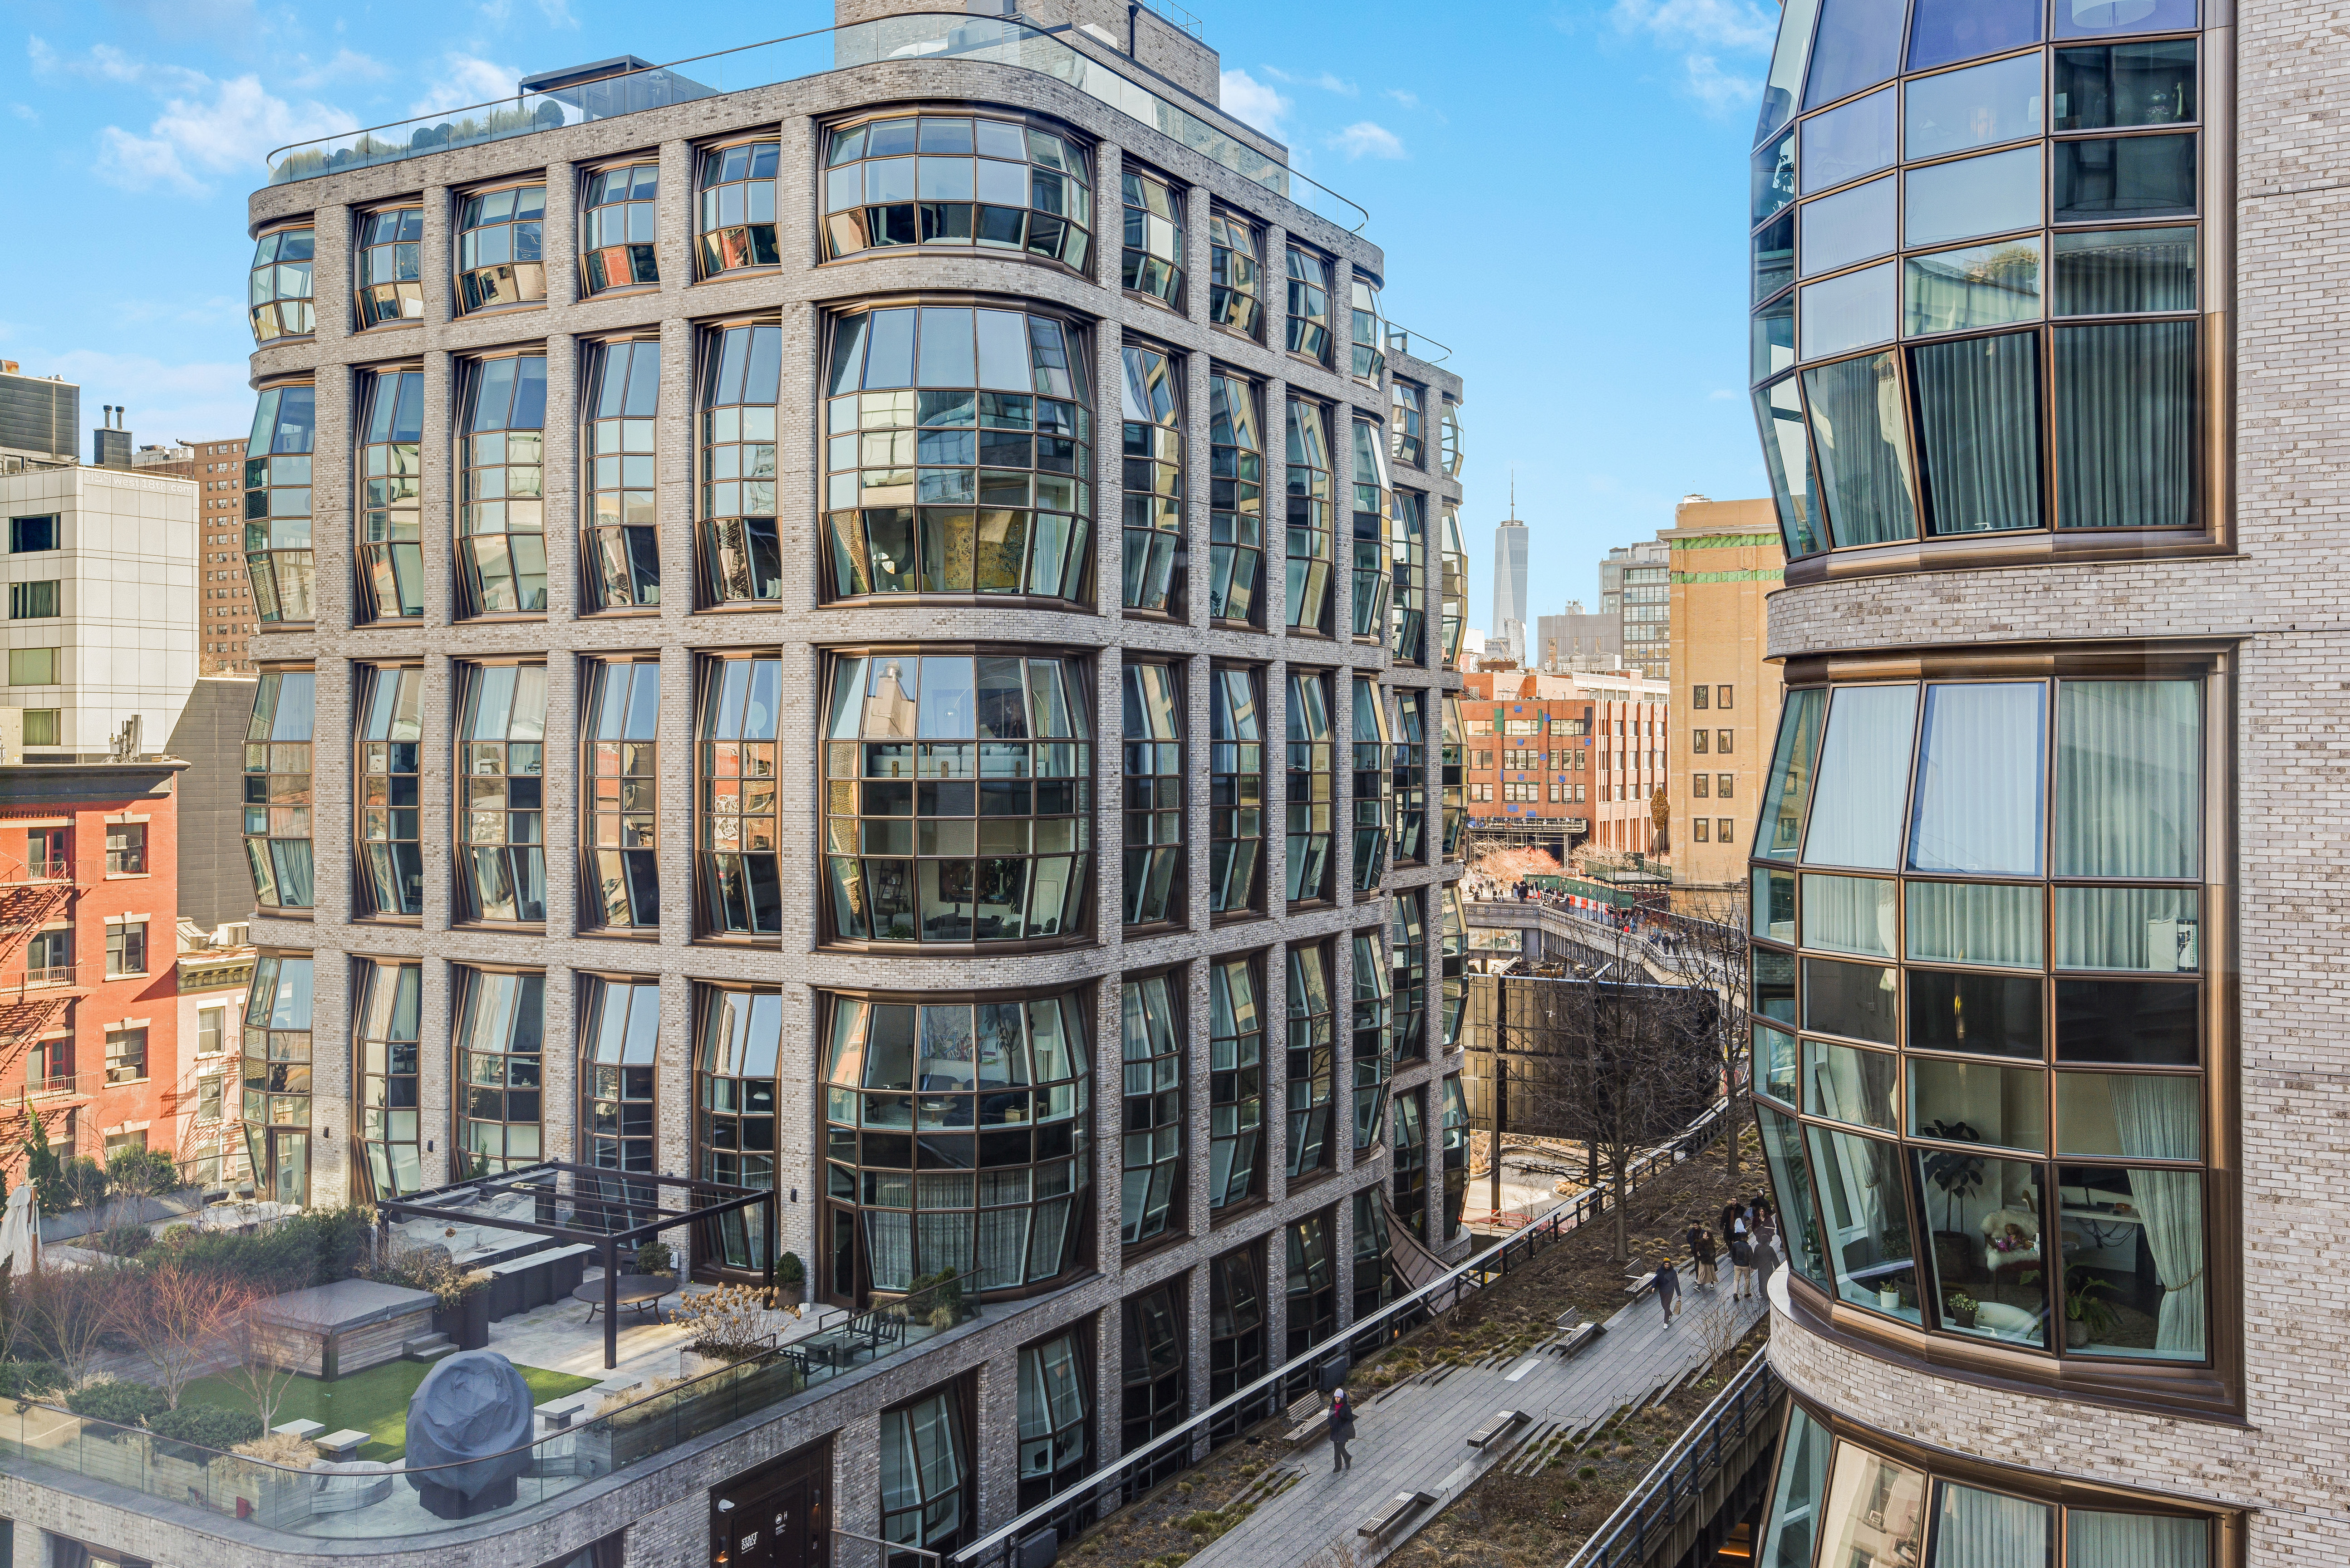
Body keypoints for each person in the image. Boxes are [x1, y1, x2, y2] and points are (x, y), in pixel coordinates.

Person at [1328, 1387, 1357, 1472]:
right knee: (1336, 1450)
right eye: (1336, 1397)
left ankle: (1347, 1458)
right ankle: (1338, 1467)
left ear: (1341, 1398)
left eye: (1339, 1397)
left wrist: (1343, 1426)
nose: (1337, 1399)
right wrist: (1331, 1425)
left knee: (1341, 1447)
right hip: (1335, 1431)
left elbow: (1350, 1419)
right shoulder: (1333, 1406)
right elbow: (1330, 1417)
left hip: (1343, 1431)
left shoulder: (1346, 1407)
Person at [1654, 1254, 1683, 1325]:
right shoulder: (1659, 1270)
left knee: (1667, 1305)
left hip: (1670, 1291)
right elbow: (1656, 1279)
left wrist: (1679, 1293)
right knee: (1663, 1305)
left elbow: (1676, 1283)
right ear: (1664, 1264)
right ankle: (1670, 1313)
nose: (1667, 1266)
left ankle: (1666, 1323)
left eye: (1668, 1265)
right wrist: (1654, 1286)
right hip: (1662, 1290)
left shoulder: (1673, 1273)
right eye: (1666, 1265)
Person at [1729, 1227, 1755, 1300]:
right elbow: (1751, 1258)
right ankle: (1747, 1293)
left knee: (1736, 1279)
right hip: (1746, 1265)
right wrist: (1752, 1267)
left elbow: (1732, 1254)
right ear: (1747, 1238)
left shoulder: (1735, 1245)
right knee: (1747, 1279)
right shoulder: (1748, 1247)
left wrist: (1735, 1261)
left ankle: (1735, 1293)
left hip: (1737, 1265)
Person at [1690, 1224, 1718, 1288]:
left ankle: (1712, 1283)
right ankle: (1699, 1285)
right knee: (1702, 1272)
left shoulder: (1711, 1244)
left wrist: (1701, 1253)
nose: (1703, 1235)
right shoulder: (1700, 1242)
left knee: (1711, 1272)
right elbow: (1696, 1248)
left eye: (1705, 1234)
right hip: (1702, 1260)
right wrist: (1697, 1252)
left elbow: (1711, 1253)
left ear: (1708, 1237)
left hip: (1709, 1261)